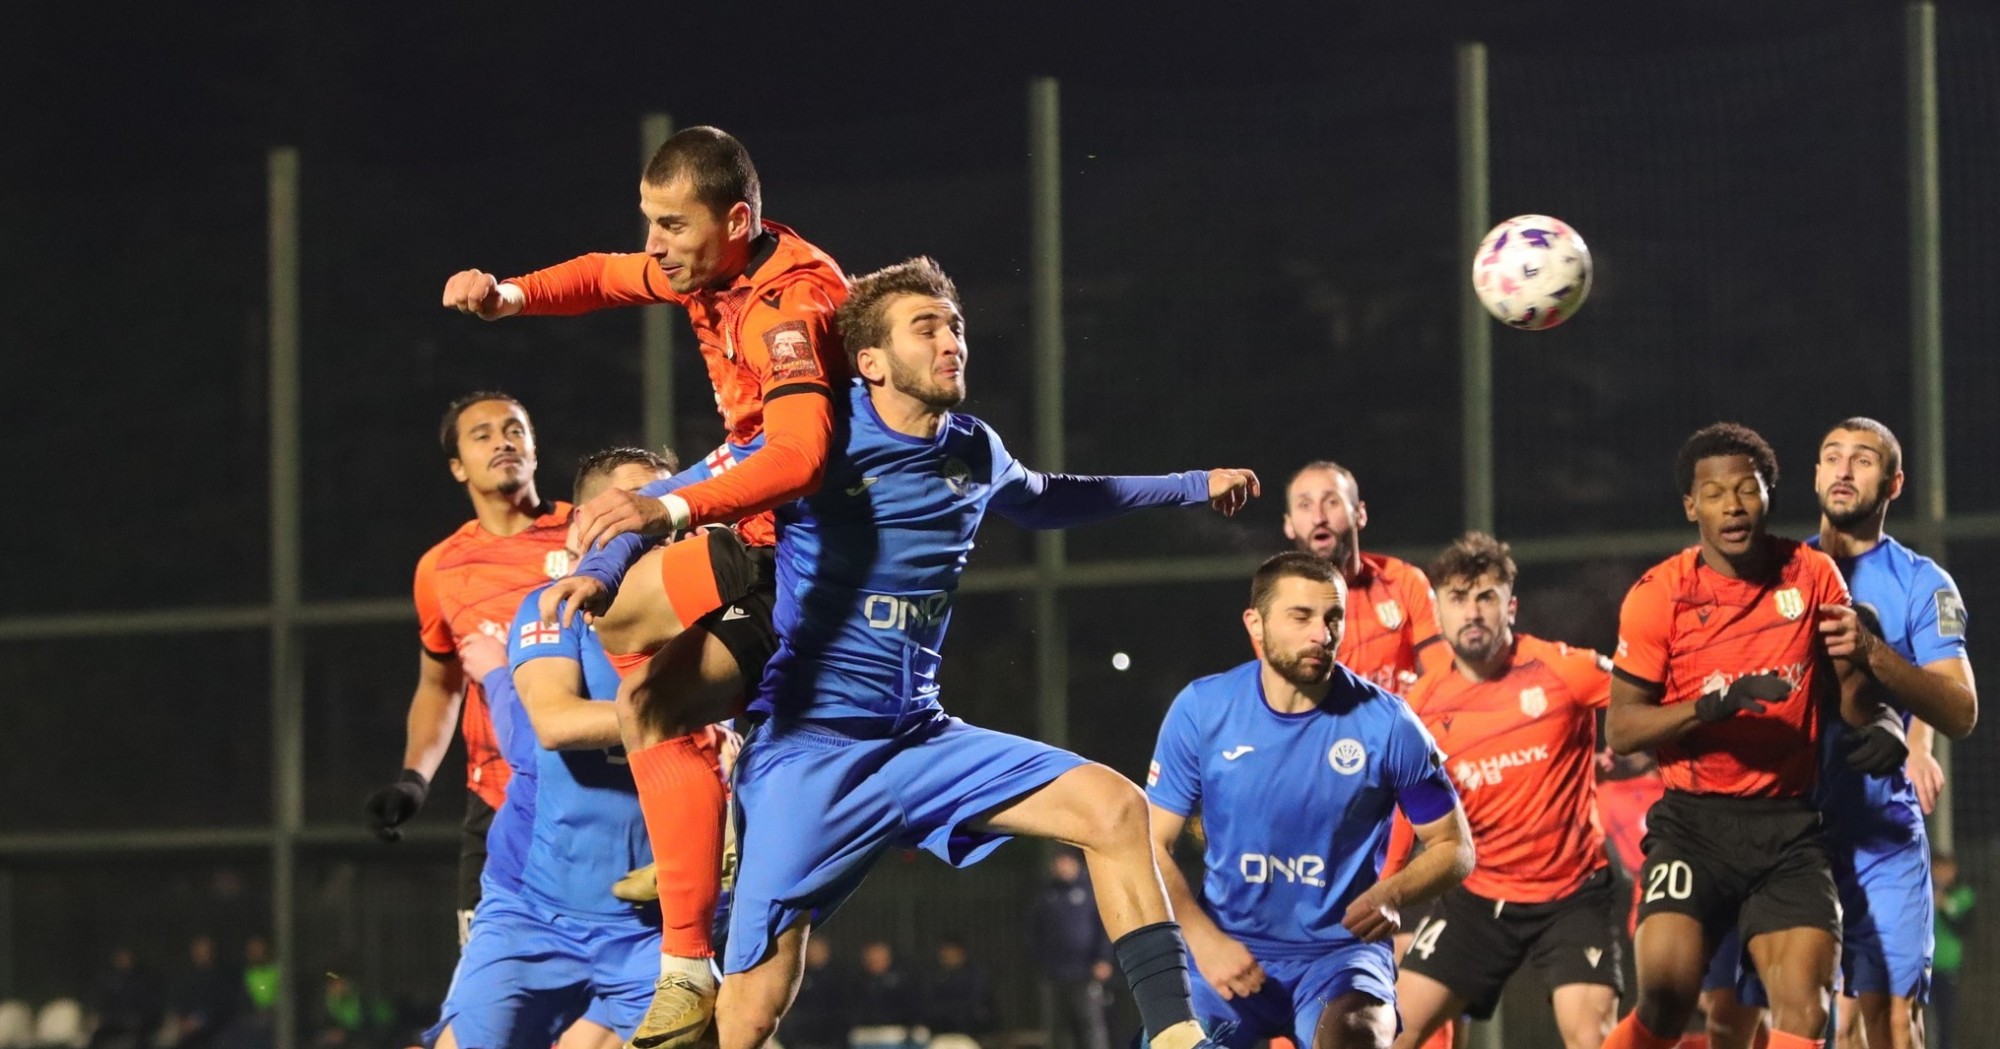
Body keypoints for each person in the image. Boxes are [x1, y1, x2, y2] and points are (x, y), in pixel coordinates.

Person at [712, 257, 1259, 1049]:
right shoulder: (818, 439)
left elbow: (1049, 498)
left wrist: (1190, 483)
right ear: (871, 361)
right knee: (749, 1010)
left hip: (921, 737)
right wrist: (609, 546)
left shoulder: (973, 449)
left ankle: (1176, 1036)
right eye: (926, 327)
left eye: (956, 326)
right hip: (812, 752)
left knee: (1114, 808)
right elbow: (692, 489)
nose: (952, 342)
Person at [442, 126, 848, 1048]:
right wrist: (511, 296)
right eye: (649, 221)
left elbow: (799, 456)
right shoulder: (707, 265)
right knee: (630, 649)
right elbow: (603, 274)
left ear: (734, 221)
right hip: (760, 521)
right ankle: (694, 863)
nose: (655, 244)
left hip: (808, 542)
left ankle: (712, 827)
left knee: (644, 661)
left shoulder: (788, 303)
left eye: (672, 224)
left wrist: (667, 509)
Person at [1600, 422, 1908, 1049]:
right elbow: (1623, 728)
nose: (1733, 507)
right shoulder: (1660, 595)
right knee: (1665, 998)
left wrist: (1882, 722)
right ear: (1692, 507)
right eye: (1715, 494)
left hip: (1789, 829)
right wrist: (1708, 708)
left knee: (1805, 1010)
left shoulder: (1813, 575)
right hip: (1692, 827)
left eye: (1747, 489)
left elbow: (1852, 695)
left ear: (1769, 494)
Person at [1699, 418, 1979, 1049]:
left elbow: (1961, 711)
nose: (1845, 470)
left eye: (1864, 459)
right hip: (1783, 835)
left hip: (1880, 834)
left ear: (1894, 483)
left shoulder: (1921, 583)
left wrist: (1874, 656)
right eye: (1832, 457)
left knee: (1892, 1022)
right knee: (1755, 1020)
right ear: (1816, 476)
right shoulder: (1770, 574)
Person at [1147, 551, 1474, 1049]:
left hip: (1341, 958)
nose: (1322, 634)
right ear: (1255, 624)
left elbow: (1455, 846)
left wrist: (1393, 892)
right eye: (1301, 617)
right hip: (1227, 952)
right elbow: (1152, 843)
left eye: (1333, 618)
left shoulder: (1389, 724)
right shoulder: (1202, 709)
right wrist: (1203, 938)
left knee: (1357, 1039)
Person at [426, 449, 678, 1049]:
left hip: (651, 929)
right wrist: (692, 720)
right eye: (632, 504)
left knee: (737, 1025)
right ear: (582, 526)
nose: (652, 519)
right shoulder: (552, 608)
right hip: (532, 910)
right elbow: (554, 722)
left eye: (663, 507)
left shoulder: (712, 621)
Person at [1390, 533, 1621, 1049]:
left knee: (1592, 1039)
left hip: (1572, 894)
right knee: (1389, 1033)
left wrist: (1636, 751)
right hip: (1477, 897)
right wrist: (1387, 892)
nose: (1472, 612)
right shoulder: (1421, 705)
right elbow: (1402, 810)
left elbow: (1649, 705)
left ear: (1509, 608)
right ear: (1438, 613)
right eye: (1457, 598)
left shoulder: (1565, 669)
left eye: (1486, 597)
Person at [364, 392, 574, 941]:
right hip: (497, 808)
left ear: (534, 449)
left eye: (514, 430)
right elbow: (439, 685)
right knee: (492, 987)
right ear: (458, 467)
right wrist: (413, 782)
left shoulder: (587, 537)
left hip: (590, 800)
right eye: (482, 435)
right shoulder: (440, 568)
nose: (502, 441)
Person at [1280, 462, 1444, 693]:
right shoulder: (1277, 605)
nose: (1318, 518)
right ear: (1289, 525)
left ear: (1360, 514)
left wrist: (1413, 701)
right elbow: (1295, 699)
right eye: (1305, 505)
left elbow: (1441, 675)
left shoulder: (1404, 582)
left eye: (1331, 502)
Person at [1035, 851, 1115, 1049]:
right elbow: (1036, 931)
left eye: (1066, 862)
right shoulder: (1046, 894)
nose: (1062, 867)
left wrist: (1104, 958)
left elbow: (1104, 926)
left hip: (1086, 971)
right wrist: (1042, 962)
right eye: (1058, 862)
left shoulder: (1091, 890)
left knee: (1090, 1024)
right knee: (1057, 1026)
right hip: (1055, 972)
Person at [776, 937, 851, 1049]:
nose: (815, 954)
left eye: (818, 950)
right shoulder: (798, 977)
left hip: (831, 1035)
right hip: (802, 1037)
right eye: (812, 950)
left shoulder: (839, 977)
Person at [1929, 852, 1970, 1049]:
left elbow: (1963, 927)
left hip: (1946, 967)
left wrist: (1944, 907)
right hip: (1921, 966)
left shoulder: (1962, 895)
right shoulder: (1922, 893)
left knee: (1945, 1019)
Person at [923, 936, 998, 1039]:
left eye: (951, 953)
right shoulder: (935, 975)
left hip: (972, 1030)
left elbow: (975, 1003)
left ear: (961, 953)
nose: (948, 957)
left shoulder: (975, 974)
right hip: (941, 1030)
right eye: (944, 954)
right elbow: (929, 1003)